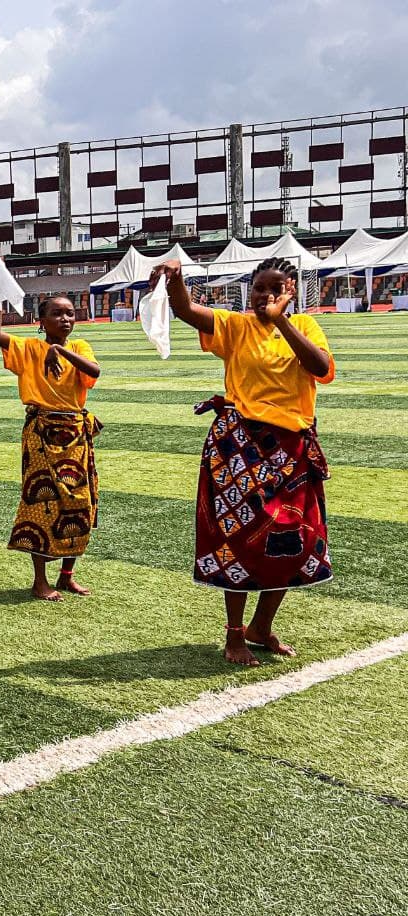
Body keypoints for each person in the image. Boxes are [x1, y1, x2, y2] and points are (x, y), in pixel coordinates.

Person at [151, 256, 335, 667]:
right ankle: (235, 635)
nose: (265, 295)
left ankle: (261, 627)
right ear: (248, 290)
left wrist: (282, 321)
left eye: (276, 288)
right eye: (259, 288)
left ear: (291, 293)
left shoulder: (303, 326)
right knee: (235, 539)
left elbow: (321, 368)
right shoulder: (236, 326)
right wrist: (177, 279)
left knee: (294, 541)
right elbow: (184, 310)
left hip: (292, 449)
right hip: (240, 447)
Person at [0, 297, 102, 601]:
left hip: (75, 433)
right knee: (42, 502)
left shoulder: (79, 347)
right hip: (41, 432)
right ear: (41, 321)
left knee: (80, 501)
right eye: (57, 314)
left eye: (70, 313)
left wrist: (60, 350)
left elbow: (94, 372)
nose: (65, 319)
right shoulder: (28, 348)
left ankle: (66, 575)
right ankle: (40, 580)